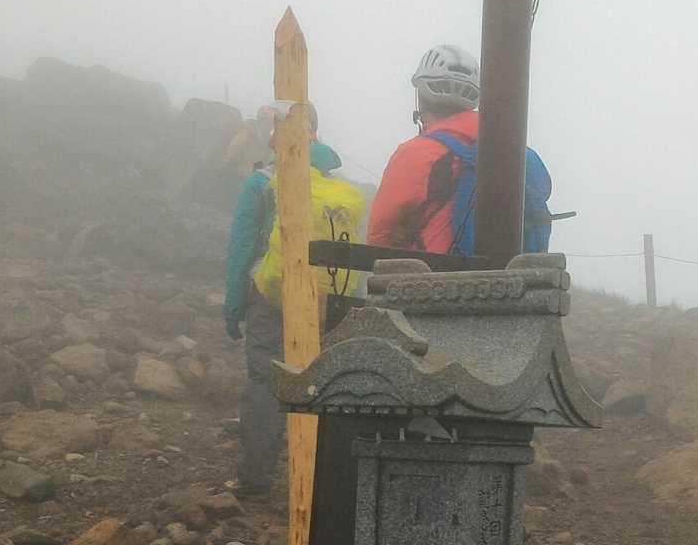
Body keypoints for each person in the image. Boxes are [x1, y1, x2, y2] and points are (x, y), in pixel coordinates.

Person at [222, 102, 364, 497]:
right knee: (325, 383)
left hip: (272, 296)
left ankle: (255, 478)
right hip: (328, 300)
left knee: (266, 380)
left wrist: (233, 305)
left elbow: (242, 247)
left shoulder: (262, 182)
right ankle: (325, 483)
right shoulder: (338, 187)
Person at [367, 44, 554, 256]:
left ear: (422, 97)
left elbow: (380, 236)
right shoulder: (516, 153)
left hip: (434, 274)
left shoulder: (414, 154)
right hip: (512, 275)